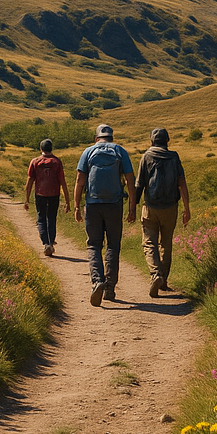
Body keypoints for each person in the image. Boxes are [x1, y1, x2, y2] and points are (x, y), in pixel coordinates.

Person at [74, 123, 135, 306]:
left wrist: (77, 205)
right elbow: (130, 180)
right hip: (114, 205)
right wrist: (132, 208)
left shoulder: (88, 152)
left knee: (93, 245)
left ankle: (97, 282)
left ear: (96, 138)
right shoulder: (120, 151)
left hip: (93, 204)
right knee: (113, 246)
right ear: (111, 137)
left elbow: (80, 179)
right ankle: (109, 288)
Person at [134, 127, 191, 297]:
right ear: (167, 141)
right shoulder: (174, 157)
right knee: (166, 243)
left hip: (151, 207)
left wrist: (132, 206)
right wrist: (187, 209)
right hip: (170, 207)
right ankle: (163, 281)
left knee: (149, 243)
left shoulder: (146, 156)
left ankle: (155, 274)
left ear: (151, 141)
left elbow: (139, 184)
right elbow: (182, 183)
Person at [24, 138, 70, 256]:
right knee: (52, 218)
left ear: (41, 149)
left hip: (40, 194)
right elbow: (62, 182)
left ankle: (46, 244)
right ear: (51, 148)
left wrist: (27, 199)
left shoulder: (35, 161)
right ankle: (50, 242)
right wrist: (67, 201)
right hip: (54, 194)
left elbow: (30, 181)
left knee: (41, 219)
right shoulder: (57, 162)